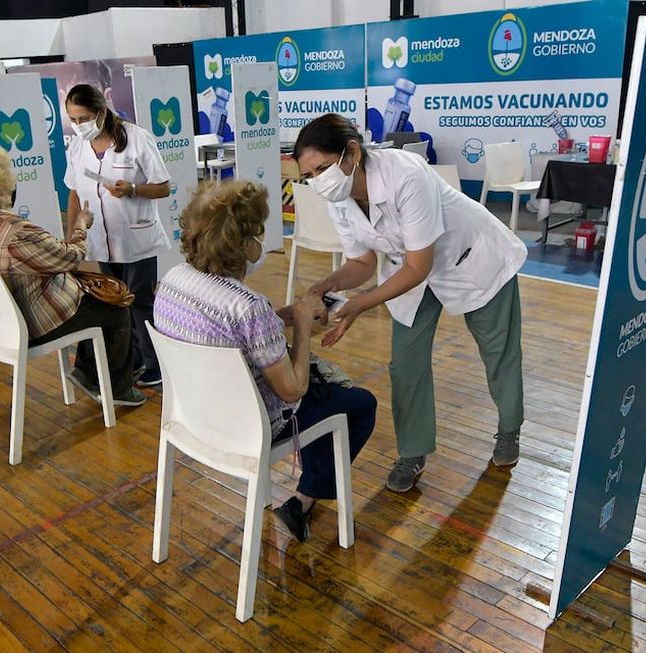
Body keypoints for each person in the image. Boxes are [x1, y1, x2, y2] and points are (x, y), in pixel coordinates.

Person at [294, 113, 526, 492]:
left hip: (472, 258)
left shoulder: (406, 174)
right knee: (406, 365)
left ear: (351, 152)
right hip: (411, 271)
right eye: (309, 176)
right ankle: (412, 452)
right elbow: (361, 263)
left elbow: (420, 266)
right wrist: (326, 285)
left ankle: (509, 428)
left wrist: (360, 304)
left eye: (322, 169)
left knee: (498, 350)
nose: (317, 182)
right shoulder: (340, 196)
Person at [154, 180, 377, 542]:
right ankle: (304, 499)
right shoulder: (247, 306)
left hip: (194, 417)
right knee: (357, 404)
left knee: (328, 399)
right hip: (249, 427)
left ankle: (305, 498)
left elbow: (218, 331)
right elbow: (292, 390)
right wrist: (302, 326)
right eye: (257, 233)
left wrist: (277, 320)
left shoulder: (173, 280)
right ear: (242, 244)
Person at [0, 146, 146, 407]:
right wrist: (80, 224)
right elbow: (71, 257)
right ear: (4, 187)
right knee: (115, 309)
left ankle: (89, 373)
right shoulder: (16, 232)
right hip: (32, 324)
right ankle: (118, 389)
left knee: (90, 302)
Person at [64, 83, 171, 387]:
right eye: (73, 120)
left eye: (83, 118)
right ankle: (132, 359)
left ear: (100, 111)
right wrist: (74, 237)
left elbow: (163, 187)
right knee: (114, 301)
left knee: (140, 302)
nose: (78, 126)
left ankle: (156, 364)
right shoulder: (77, 146)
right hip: (100, 239)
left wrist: (133, 189)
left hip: (137, 237)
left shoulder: (136, 138)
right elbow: (73, 194)